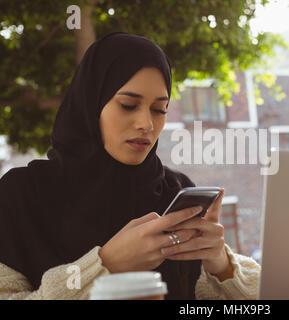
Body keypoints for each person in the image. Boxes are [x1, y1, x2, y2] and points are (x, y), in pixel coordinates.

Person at [0, 32, 260, 300]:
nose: (146, 124)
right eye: (128, 105)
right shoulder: (20, 195)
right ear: (92, 103)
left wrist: (220, 266)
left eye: (159, 109)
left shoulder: (175, 191)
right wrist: (105, 266)